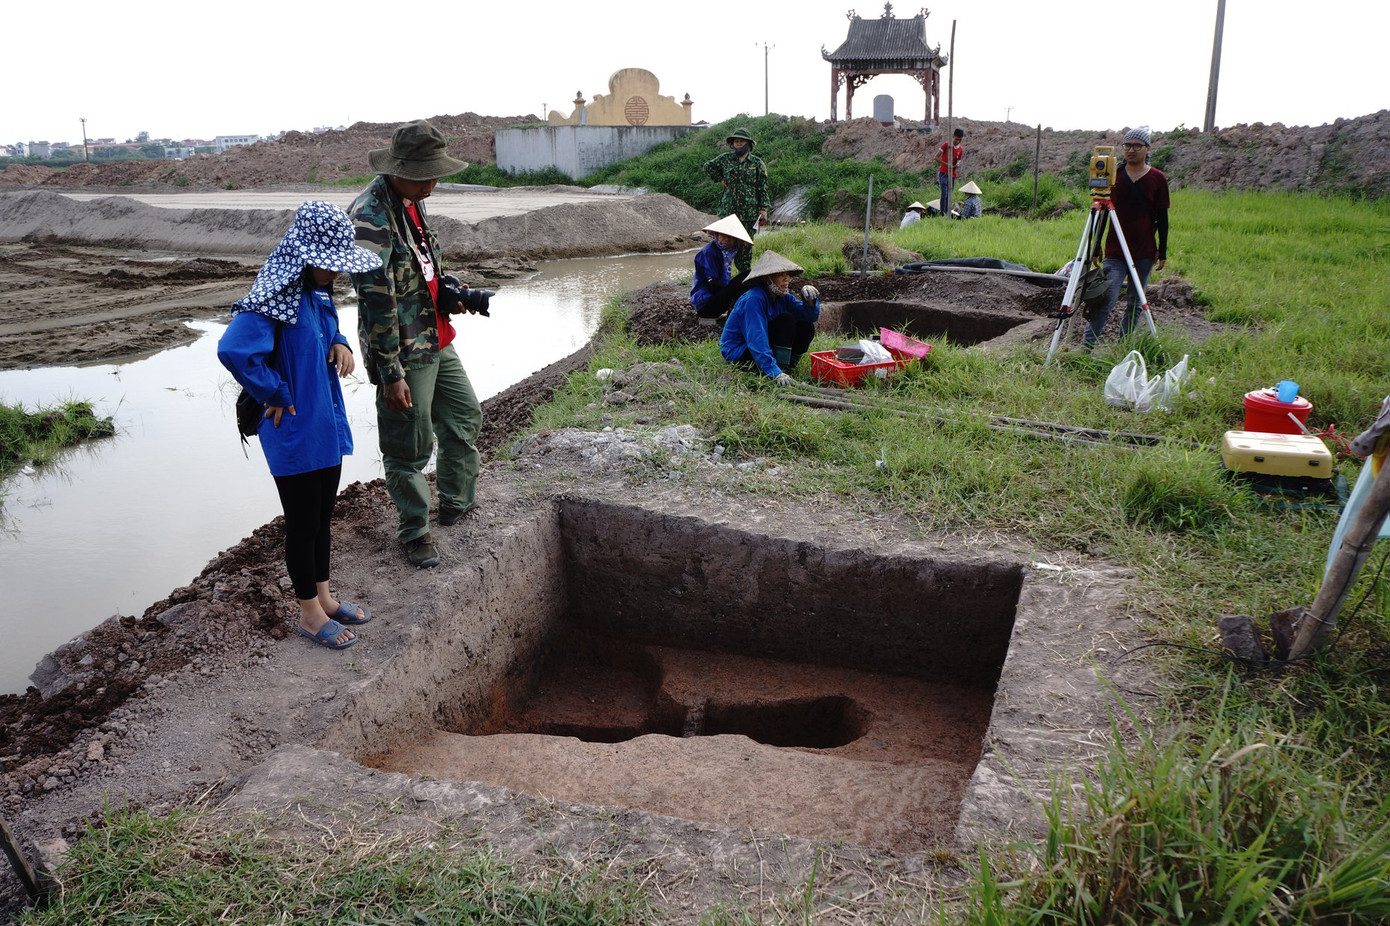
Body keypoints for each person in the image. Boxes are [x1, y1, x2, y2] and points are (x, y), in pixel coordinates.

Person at [217, 201, 381, 650]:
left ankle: (325, 599)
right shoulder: (271, 300)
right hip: (292, 428)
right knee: (303, 522)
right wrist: (274, 391)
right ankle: (309, 614)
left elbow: (325, 327)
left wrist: (342, 342)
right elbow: (234, 350)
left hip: (324, 422)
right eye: (328, 265)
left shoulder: (315, 292)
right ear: (304, 256)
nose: (336, 273)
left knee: (323, 517)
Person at [349, 120, 490, 568]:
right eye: (427, 173)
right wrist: (390, 375)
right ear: (400, 168)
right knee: (409, 445)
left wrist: (447, 290)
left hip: (435, 334)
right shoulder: (370, 217)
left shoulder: (412, 199)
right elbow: (376, 303)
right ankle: (415, 532)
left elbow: (421, 268)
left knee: (464, 416)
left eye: (437, 173)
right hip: (404, 350)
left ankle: (455, 501)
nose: (434, 182)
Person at [1083, 125, 1170, 348]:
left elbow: (1162, 216)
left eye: (1137, 146)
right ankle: (1086, 347)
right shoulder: (1114, 176)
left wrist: (1163, 249)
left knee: (1135, 302)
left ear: (1148, 148)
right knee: (1105, 298)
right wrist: (1096, 245)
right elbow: (1102, 211)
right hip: (1114, 250)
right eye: (1127, 145)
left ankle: (1123, 348)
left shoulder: (1157, 178)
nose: (1131, 150)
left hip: (1144, 250)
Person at [719, 250, 820, 385]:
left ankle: (788, 367)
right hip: (739, 352)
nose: (786, 279)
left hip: (760, 344)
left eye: (787, 275)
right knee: (786, 320)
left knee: (805, 326)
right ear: (767, 279)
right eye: (780, 275)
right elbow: (756, 339)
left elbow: (809, 316)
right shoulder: (753, 300)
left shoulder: (783, 297)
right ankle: (779, 370)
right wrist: (774, 372)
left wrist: (810, 300)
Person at [703, 127, 770, 274]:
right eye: (736, 141)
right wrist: (720, 178)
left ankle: (744, 282)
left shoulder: (757, 164)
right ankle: (720, 281)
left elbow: (762, 187)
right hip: (728, 213)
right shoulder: (725, 160)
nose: (738, 144)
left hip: (749, 214)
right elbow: (708, 166)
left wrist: (763, 209)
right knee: (723, 247)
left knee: (745, 252)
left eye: (741, 141)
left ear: (748, 144)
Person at [690, 214, 754, 328]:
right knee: (740, 284)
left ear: (736, 240)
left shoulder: (729, 252)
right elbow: (711, 283)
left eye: (730, 237)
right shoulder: (709, 253)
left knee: (748, 274)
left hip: (716, 298)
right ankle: (734, 314)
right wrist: (732, 292)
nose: (726, 239)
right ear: (716, 235)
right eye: (723, 236)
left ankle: (741, 309)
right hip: (706, 306)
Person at [937, 128, 963, 218]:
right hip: (944, 173)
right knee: (944, 193)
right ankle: (942, 212)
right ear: (953, 137)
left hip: (953, 174)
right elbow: (936, 157)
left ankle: (947, 211)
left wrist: (958, 164)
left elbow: (959, 159)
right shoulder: (946, 145)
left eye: (960, 140)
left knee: (950, 194)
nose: (958, 141)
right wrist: (946, 164)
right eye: (956, 139)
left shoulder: (960, 148)